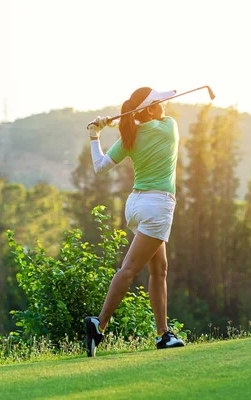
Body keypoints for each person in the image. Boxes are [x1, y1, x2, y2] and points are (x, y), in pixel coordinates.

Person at [84, 87, 184, 357]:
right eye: (159, 102)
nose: (164, 105)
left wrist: (96, 135)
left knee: (160, 268)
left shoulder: (130, 135)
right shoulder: (169, 127)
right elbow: (153, 117)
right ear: (150, 109)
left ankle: (164, 333)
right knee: (129, 270)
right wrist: (124, 120)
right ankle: (99, 323)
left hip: (137, 206)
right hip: (157, 207)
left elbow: (100, 166)